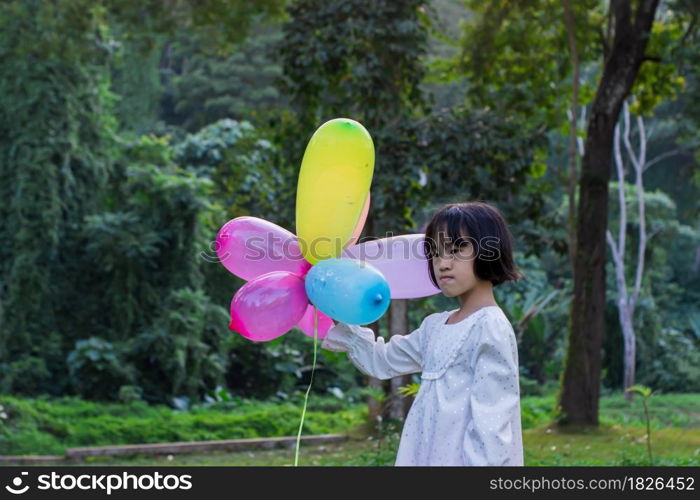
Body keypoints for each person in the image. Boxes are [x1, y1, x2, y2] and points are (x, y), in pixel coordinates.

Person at [321, 201, 525, 466]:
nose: (443, 263)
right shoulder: (435, 326)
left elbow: (492, 424)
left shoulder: (490, 327)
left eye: (457, 249)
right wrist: (338, 310)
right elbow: (381, 361)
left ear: (489, 250)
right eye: (436, 253)